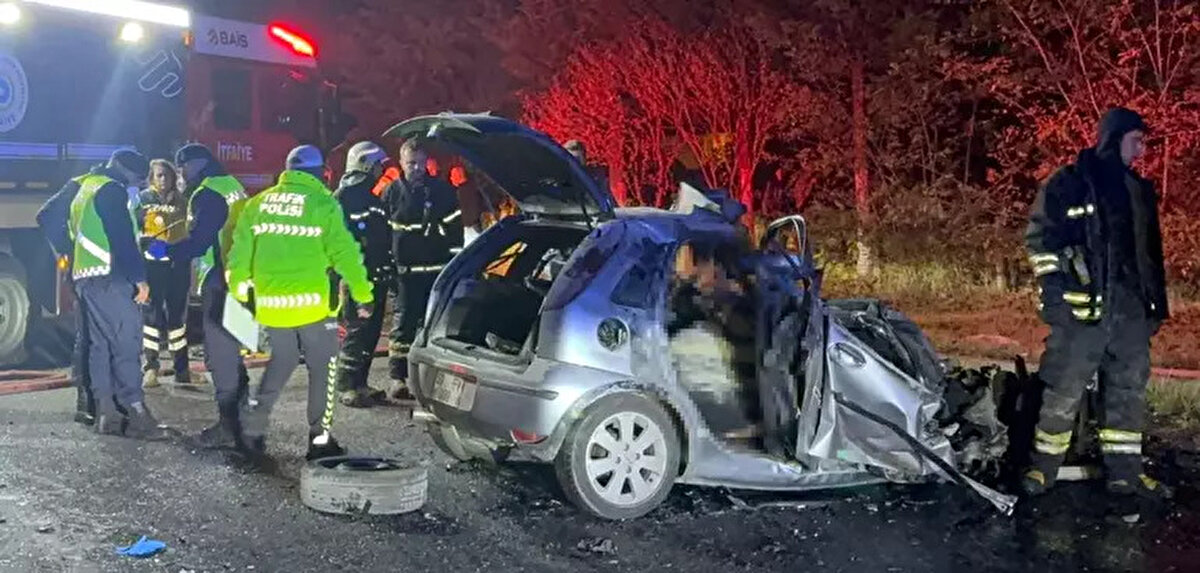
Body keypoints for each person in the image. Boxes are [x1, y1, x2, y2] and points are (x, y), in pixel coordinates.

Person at [1021, 107, 1171, 500]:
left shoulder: (1138, 190)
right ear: (1113, 137)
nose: (1141, 147)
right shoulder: (1070, 183)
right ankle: (1042, 470)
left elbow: (1149, 255)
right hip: (1082, 313)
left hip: (1132, 313)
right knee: (1063, 390)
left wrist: (1155, 308)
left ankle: (1124, 474)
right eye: (1135, 138)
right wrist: (1055, 297)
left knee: (1126, 394)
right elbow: (1041, 242)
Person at [227, 145, 374, 460]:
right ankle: (319, 441)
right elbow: (345, 255)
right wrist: (364, 295)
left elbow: (239, 258)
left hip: (272, 308)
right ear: (319, 172)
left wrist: (240, 295)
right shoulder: (323, 204)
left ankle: (252, 432)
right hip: (314, 308)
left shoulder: (257, 204)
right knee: (324, 370)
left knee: (280, 364)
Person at [147, 144, 250, 448]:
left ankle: (230, 428)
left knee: (220, 356)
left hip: (219, 279)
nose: (181, 174)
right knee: (234, 353)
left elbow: (200, 240)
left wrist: (166, 250)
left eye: (183, 167)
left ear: (198, 164)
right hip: (242, 278)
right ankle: (244, 422)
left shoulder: (207, 192)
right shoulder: (232, 185)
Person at [66, 149, 166, 439]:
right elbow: (121, 238)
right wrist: (140, 279)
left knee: (100, 347)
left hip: (87, 279)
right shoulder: (112, 190)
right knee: (125, 344)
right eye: (136, 178)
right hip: (111, 278)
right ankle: (136, 414)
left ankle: (106, 414)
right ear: (126, 172)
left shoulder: (86, 187)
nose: (136, 183)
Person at [385, 138, 462, 396]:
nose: (416, 168)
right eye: (410, 163)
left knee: (434, 325)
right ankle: (398, 378)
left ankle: (429, 378)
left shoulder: (442, 192)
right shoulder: (391, 193)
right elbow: (382, 234)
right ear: (401, 163)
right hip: (405, 274)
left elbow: (455, 233)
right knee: (404, 324)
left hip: (436, 273)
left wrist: (454, 268)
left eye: (420, 163)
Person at [37, 166, 101, 425]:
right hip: (90, 272)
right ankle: (86, 400)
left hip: (89, 271)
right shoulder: (88, 186)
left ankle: (90, 401)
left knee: (90, 336)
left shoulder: (83, 184)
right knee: (89, 336)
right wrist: (68, 247)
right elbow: (46, 215)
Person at [333, 141, 395, 407]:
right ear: (366, 164)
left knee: (370, 333)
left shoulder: (372, 198)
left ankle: (361, 383)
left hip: (376, 277)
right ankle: (346, 385)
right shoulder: (344, 198)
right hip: (358, 278)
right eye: (378, 165)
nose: (381, 170)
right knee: (358, 331)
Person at [138, 159, 193, 388]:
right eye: (158, 175)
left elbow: (190, 230)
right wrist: (146, 246)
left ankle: (182, 369)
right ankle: (151, 368)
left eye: (166, 176)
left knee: (177, 319)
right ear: (151, 177)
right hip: (153, 266)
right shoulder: (142, 200)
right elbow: (134, 229)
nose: (163, 180)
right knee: (151, 318)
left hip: (177, 266)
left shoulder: (183, 201)